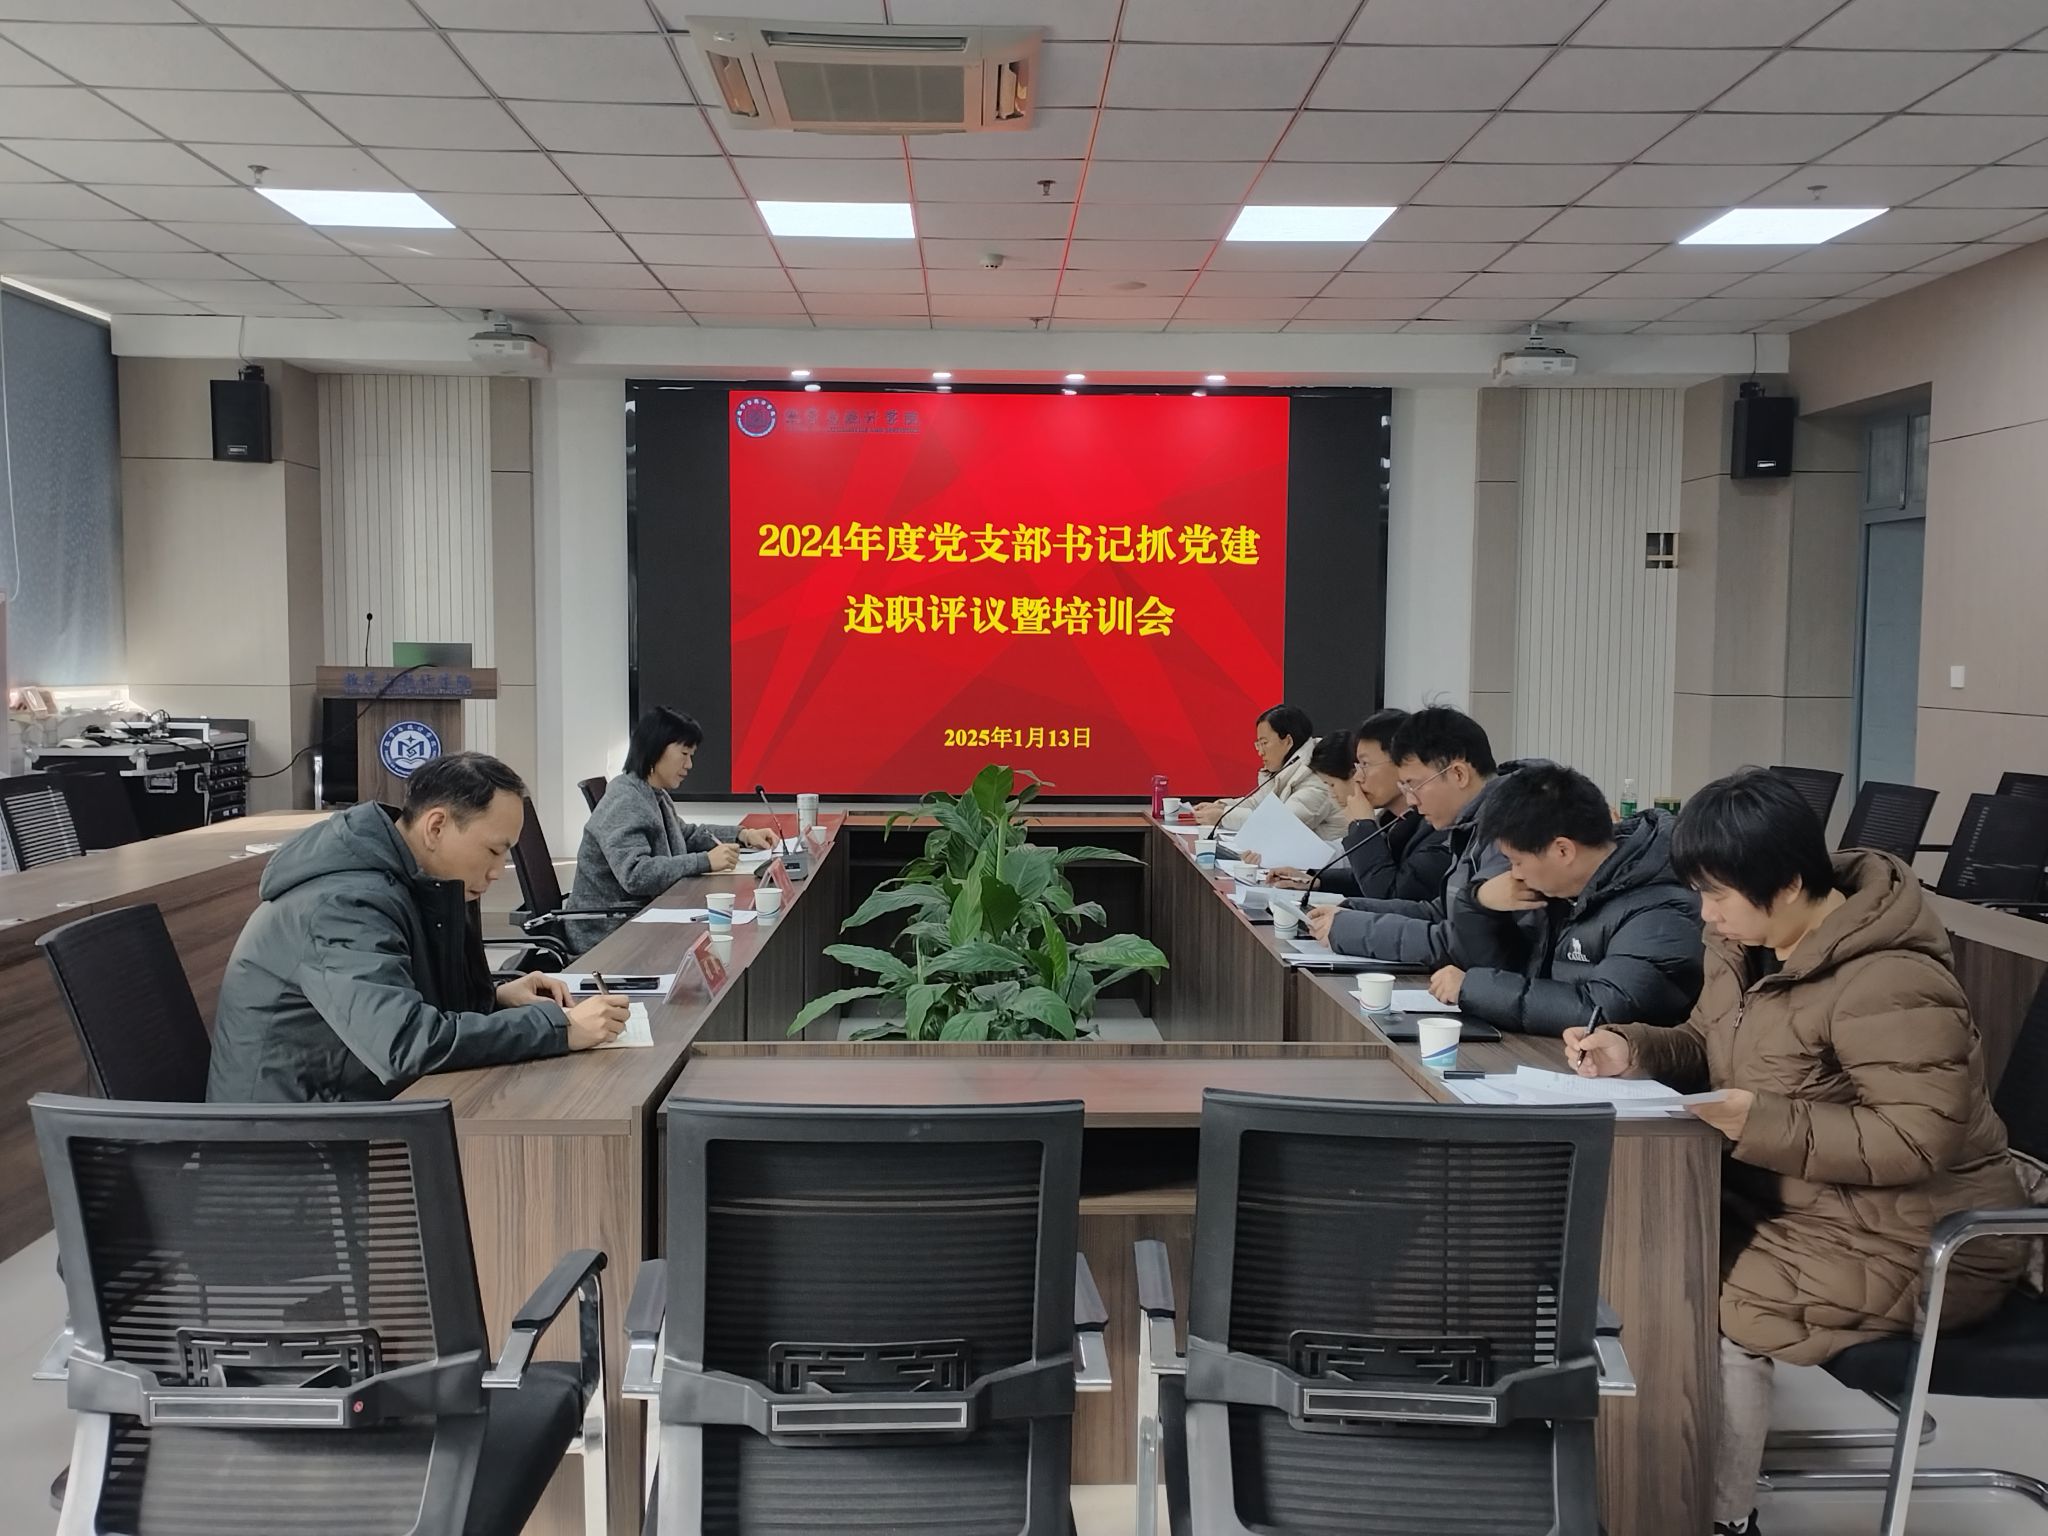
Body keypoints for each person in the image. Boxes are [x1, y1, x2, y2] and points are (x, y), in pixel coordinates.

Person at [1563, 769, 2025, 1536]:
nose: (1706, 914)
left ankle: (1719, 1516)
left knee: (1704, 1298)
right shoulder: (1745, 945)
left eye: (1718, 895)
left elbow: (1919, 1137)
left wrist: (1763, 1120)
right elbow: (1710, 1042)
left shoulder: (1890, 978)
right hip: (1813, 1208)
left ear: (1783, 884)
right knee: (1644, 1252)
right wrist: (1633, 1048)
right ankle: (1639, 1485)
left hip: (1921, 1235)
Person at [208, 752, 631, 1104]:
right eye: (493, 850)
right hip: (288, 1144)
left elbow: (406, 1002)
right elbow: (404, 1044)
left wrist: (496, 998)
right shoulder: (342, 904)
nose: (497, 870)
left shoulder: (420, 881)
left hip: (351, 1108)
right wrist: (559, 1029)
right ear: (436, 827)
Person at [1434, 761, 1703, 1034]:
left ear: (1562, 851)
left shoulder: (1661, 908)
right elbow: (1514, 974)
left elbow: (1603, 1011)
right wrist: (1479, 905)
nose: (1514, 874)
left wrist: (1474, 988)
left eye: (1517, 861)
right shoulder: (1562, 889)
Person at [1305, 706, 1510, 966]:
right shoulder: (1469, 826)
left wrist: (1349, 928)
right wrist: (1351, 911)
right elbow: (1439, 912)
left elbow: (1465, 943)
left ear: (1458, 774)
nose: (1411, 800)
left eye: (1414, 785)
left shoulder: (1509, 832)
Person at [569, 706, 777, 950]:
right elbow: (636, 874)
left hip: (642, 914)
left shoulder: (653, 793)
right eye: (684, 754)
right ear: (656, 749)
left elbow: (685, 835)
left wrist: (743, 835)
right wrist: (705, 861)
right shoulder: (625, 800)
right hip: (608, 931)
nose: (689, 764)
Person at [1263, 709, 1452, 901]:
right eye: (1357, 766)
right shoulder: (1395, 822)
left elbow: (1392, 894)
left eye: (1365, 765)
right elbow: (1372, 879)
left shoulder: (1438, 827)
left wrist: (1362, 825)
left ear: (1402, 763)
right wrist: (1317, 881)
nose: (1359, 777)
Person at [1191, 703, 1346, 842]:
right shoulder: (1285, 769)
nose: (1260, 752)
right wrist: (1221, 806)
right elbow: (1257, 803)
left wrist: (1223, 817)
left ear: (1288, 741)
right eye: (1258, 745)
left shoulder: (1317, 775)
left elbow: (1281, 823)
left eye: (1264, 743)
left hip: (1325, 863)